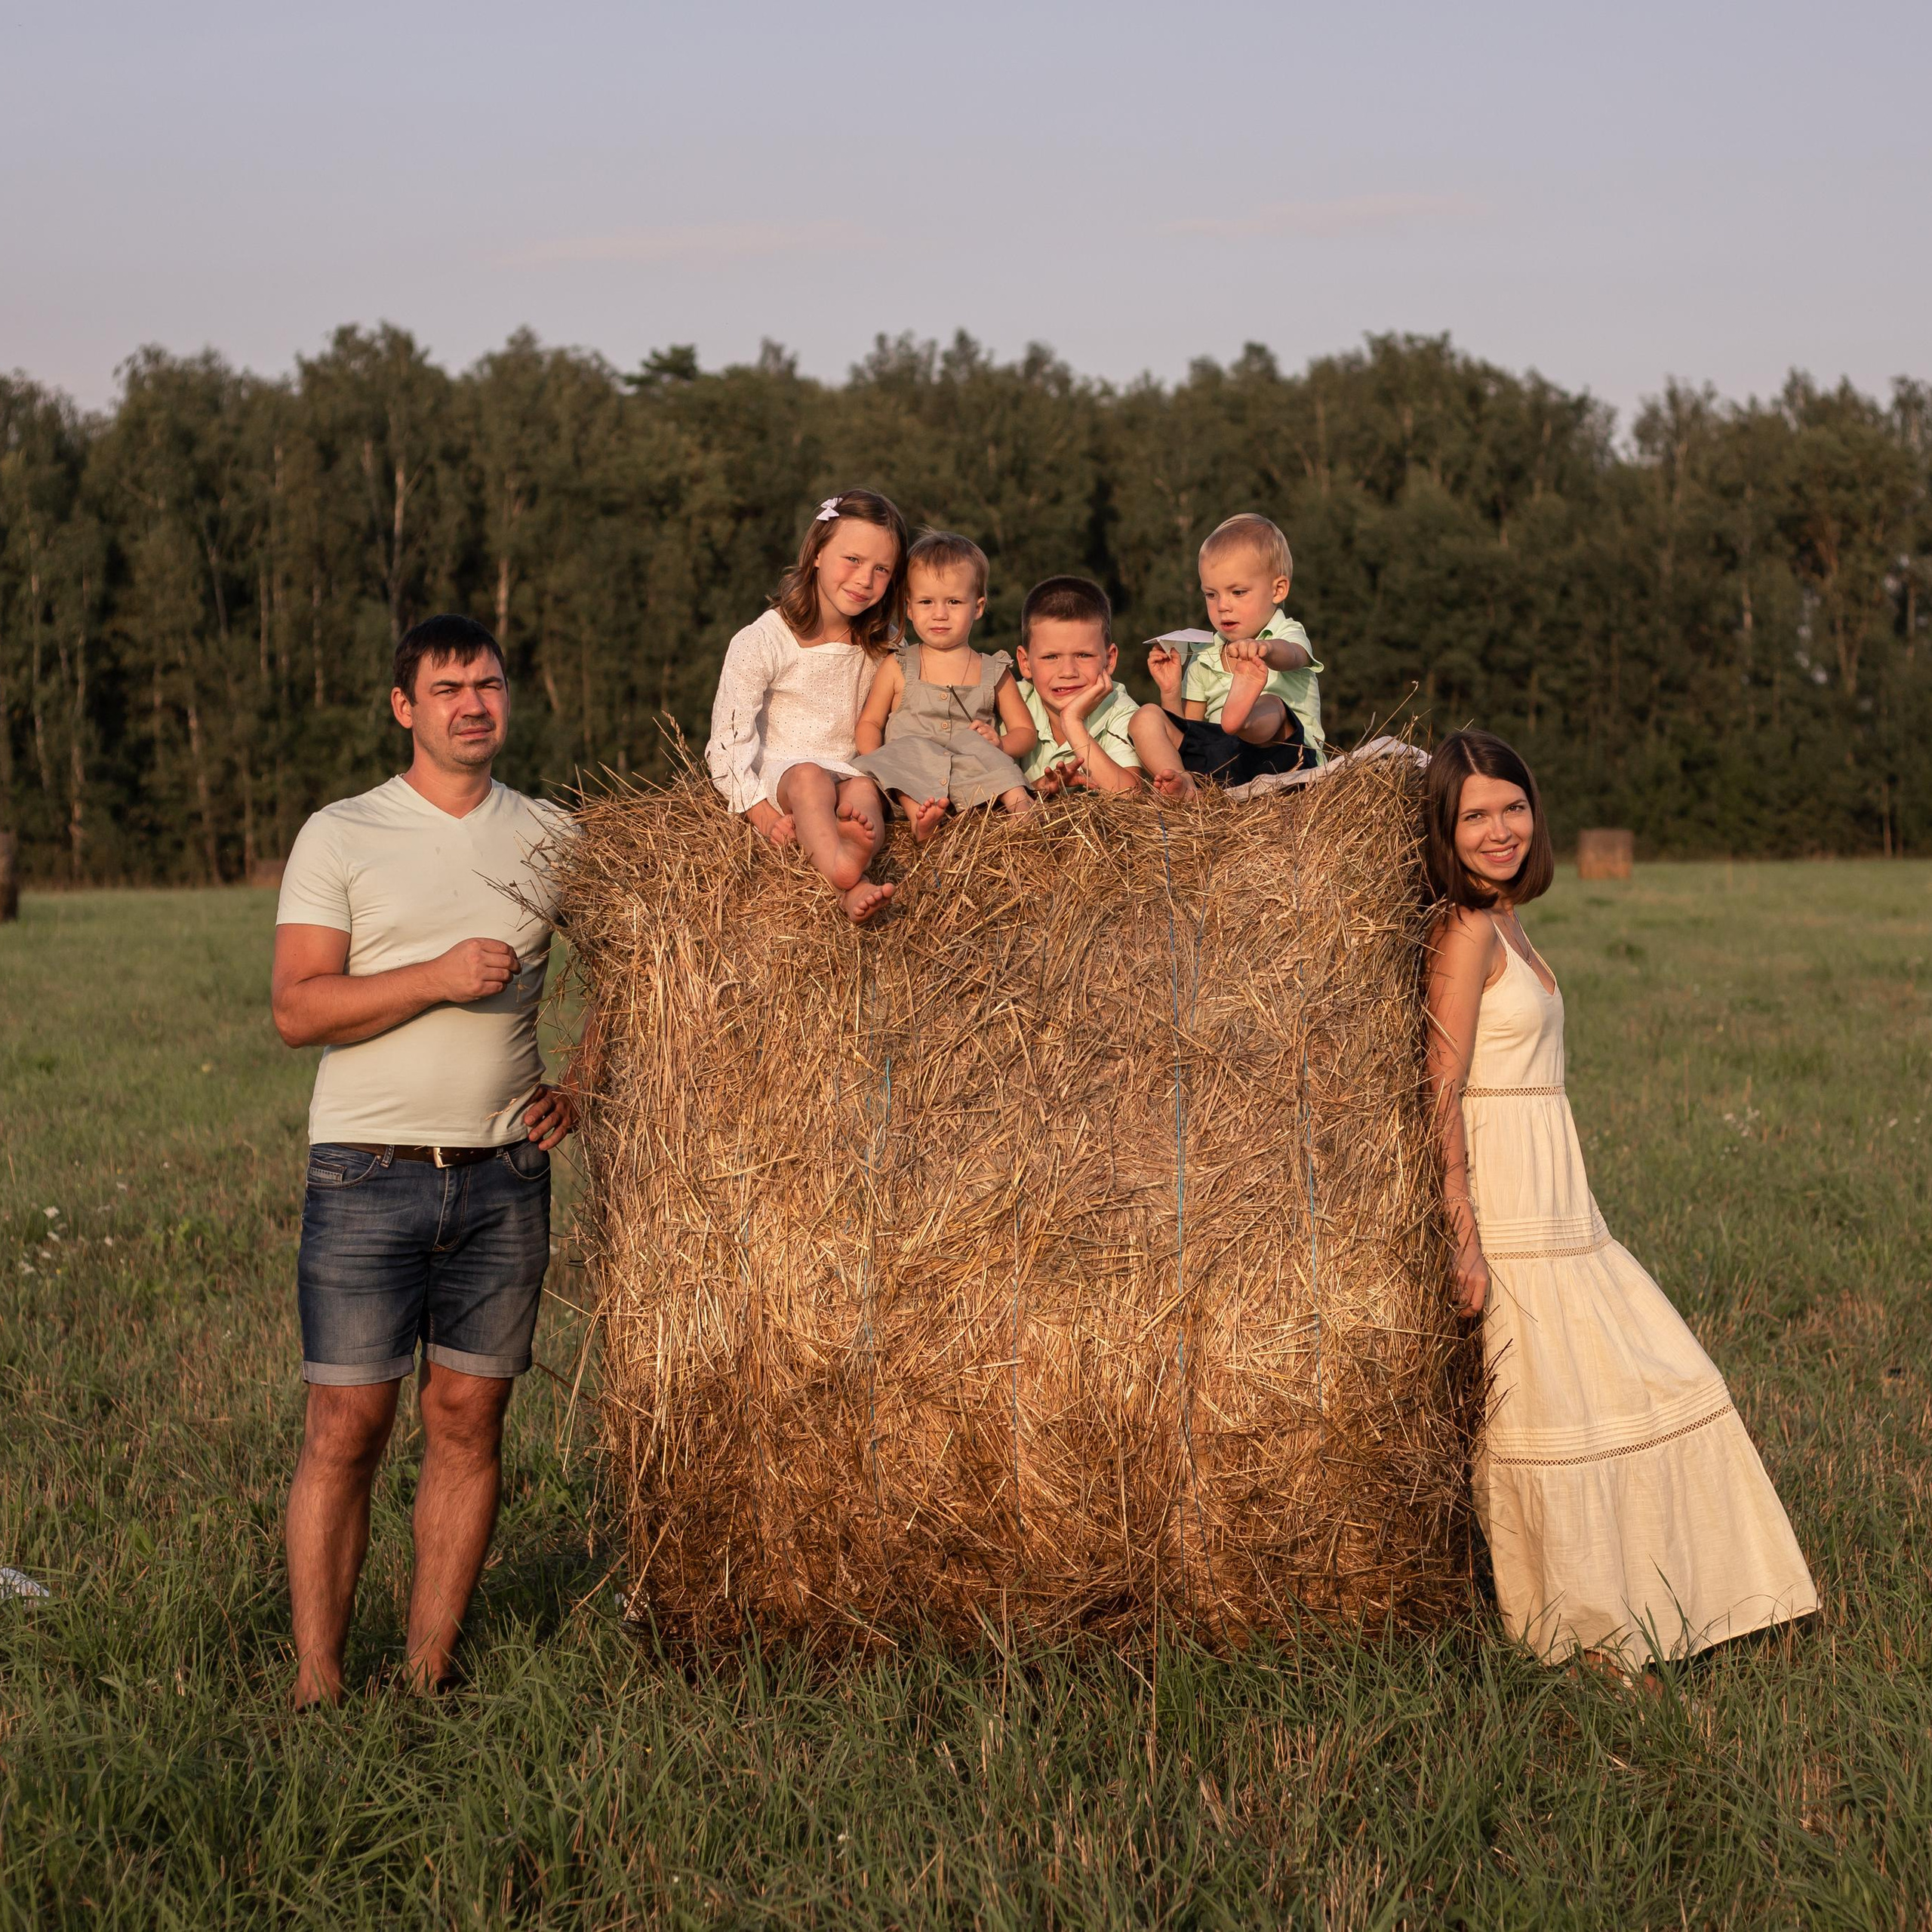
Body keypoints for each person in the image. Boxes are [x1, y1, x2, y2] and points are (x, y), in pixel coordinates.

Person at [1423, 728, 1817, 1670]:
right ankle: (1583, 1635)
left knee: (1664, 1378)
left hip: (1564, 1205)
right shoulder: (1466, 929)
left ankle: (1677, 1601)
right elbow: (1437, 1088)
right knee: (1550, 1418)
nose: (1498, 828)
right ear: (1445, 827)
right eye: (1474, 814)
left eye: (1511, 806)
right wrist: (1462, 1233)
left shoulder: (1509, 916)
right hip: (1510, 1207)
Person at [271, 614, 579, 1706]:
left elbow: (651, 968)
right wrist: (437, 977)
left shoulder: (554, 835)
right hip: (365, 1168)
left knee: (467, 1418)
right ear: (405, 707)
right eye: (448, 688)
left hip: (504, 1177)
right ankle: (317, 1683)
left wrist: (583, 1083)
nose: (473, 705)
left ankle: (429, 1673)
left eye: (488, 685)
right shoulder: (343, 832)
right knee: (346, 1424)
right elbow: (299, 1010)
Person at [705, 489, 907, 920]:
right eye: (852, 560)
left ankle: (853, 866)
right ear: (816, 552)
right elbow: (727, 743)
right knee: (811, 777)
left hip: (850, 766)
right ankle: (842, 870)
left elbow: (908, 718)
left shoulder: (885, 645)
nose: (864, 579)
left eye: (881, 569)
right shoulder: (763, 640)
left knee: (864, 789)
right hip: (785, 773)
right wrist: (760, 815)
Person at [854, 531, 1038, 841]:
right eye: (927, 602)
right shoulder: (898, 665)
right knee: (906, 749)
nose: (940, 614)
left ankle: (1022, 809)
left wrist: (1001, 744)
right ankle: (921, 820)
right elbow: (870, 721)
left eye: (954, 602)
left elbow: (1025, 732)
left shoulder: (993, 671)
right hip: (911, 773)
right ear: (909, 608)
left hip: (970, 772)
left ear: (978, 607)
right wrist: (881, 761)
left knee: (984, 751)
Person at [1130, 512, 1321, 800]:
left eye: (1238, 592)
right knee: (1144, 717)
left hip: (1285, 759)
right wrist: (1170, 690)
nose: (1223, 606)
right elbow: (1192, 730)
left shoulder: (1285, 633)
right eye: (1211, 595)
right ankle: (1183, 786)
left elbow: (1294, 655)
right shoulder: (1205, 656)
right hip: (1224, 768)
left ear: (1278, 590)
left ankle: (1242, 719)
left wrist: (1265, 650)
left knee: (1272, 705)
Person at [1011, 577, 1143, 796]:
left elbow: (1128, 795)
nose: (1068, 672)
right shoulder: (1012, 702)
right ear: (1025, 663)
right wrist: (1038, 789)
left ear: (1109, 660)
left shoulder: (1119, 709)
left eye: (1083, 655)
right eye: (1051, 657)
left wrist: (1072, 722)